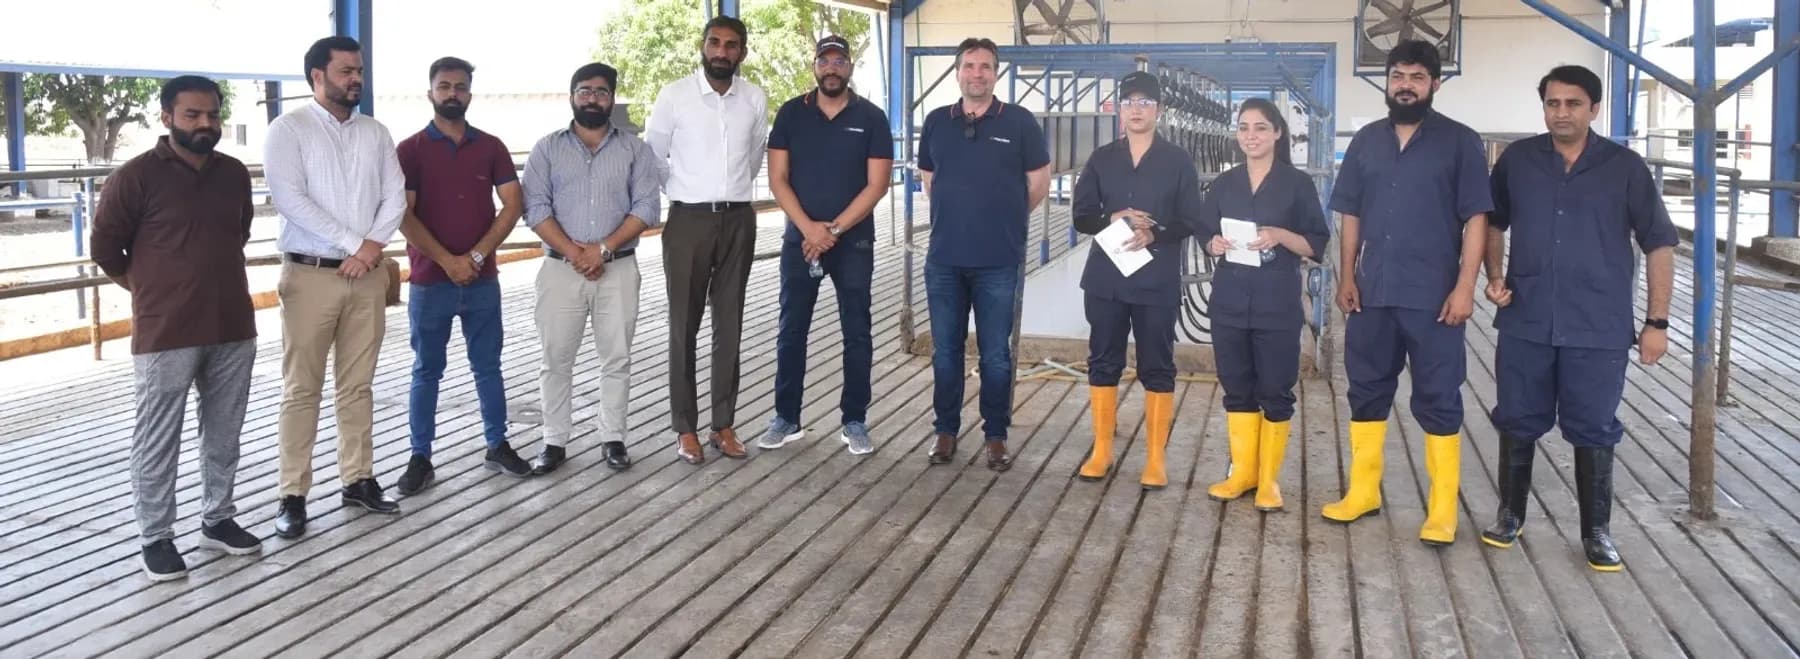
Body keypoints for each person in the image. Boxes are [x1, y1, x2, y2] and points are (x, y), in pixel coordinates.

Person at [1480, 64, 1676, 571]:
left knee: (1594, 425)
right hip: (1527, 317)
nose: (1561, 113)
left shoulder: (1625, 167)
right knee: (1517, 417)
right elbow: (1492, 223)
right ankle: (1509, 515)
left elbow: (1659, 243)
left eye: (1572, 103)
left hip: (1599, 323)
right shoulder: (1518, 161)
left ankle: (1596, 532)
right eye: (1552, 103)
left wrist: (1657, 322)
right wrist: (1494, 275)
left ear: (1594, 108)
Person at [90, 75, 263, 580]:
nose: (205, 123)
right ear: (166, 117)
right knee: (157, 437)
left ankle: (218, 518)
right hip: (165, 332)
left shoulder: (234, 173)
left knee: (224, 433)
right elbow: (105, 249)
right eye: (192, 114)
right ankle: (156, 536)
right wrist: (151, 289)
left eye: (212, 114)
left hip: (233, 322)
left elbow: (239, 232)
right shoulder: (135, 177)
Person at [1321, 39, 1492, 546]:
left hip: (1434, 296)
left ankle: (1441, 510)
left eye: (1417, 77)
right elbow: (1350, 213)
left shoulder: (1460, 142)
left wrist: (1466, 286)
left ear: (1434, 84)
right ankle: (1363, 492)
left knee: (1438, 395)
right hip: (1372, 291)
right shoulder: (1366, 141)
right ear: (1388, 81)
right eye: (1398, 76)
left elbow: (1476, 219)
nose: (1406, 86)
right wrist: (1346, 276)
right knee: (1366, 389)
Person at [265, 35, 408, 538]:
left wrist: (371, 249)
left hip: (366, 277)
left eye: (359, 70)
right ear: (316, 76)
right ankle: (292, 494)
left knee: (358, 385)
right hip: (310, 275)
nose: (356, 79)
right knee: (301, 387)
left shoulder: (376, 132)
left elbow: (395, 196)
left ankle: (358, 479)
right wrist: (356, 244)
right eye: (346, 71)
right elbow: (290, 199)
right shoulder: (289, 130)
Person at [393, 56, 532, 494]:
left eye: (460, 87)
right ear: (430, 92)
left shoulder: (491, 147)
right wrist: (448, 261)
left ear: (470, 93)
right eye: (444, 86)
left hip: (482, 279)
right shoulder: (410, 150)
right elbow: (404, 215)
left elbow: (513, 204)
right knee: (426, 370)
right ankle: (420, 456)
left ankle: (497, 444)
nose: (452, 93)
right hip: (429, 282)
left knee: (488, 366)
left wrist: (474, 256)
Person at [916, 37, 1052, 472]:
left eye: (985, 66)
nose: (977, 74)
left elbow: (1039, 182)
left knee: (995, 354)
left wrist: (1003, 217)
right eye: (969, 66)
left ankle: (996, 435)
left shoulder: (1019, 122)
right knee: (945, 352)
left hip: (998, 259)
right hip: (944, 259)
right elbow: (929, 179)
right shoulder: (936, 122)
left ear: (996, 73)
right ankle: (945, 431)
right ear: (958, 72)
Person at [523, 62, 663, 474]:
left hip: (617, 268)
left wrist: (602, 250)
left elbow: (647, 207)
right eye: (584, 90)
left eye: (601, 91)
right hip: (559, 270)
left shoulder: (635, 150)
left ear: (611, 99)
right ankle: (553, 441)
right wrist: (575, 252)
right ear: (572, 97)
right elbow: (535, 208)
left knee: (616, 358)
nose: (592, 98)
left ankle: (613, 438)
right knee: (555, 358)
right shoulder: (546, 149)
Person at [758, 35, 893, 455]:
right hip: (800, 242)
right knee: (791, 330)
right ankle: (786, 418)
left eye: (839, 61)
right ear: (814, 66)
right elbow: (777, 179)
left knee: (857, 333)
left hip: (854, 244)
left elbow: (878, 184)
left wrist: (831, 231)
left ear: (849, 66)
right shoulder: (790, 114)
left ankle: (854, 420)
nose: (831, 68)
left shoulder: (871, 117)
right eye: (824, 61)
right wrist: (809, 230)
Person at [1067, 71, 1203, 490]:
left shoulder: (1178, 160)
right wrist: (1113, 218)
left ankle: (1155, 459)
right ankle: (1102, 449)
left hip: (1156, 279)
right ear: (1119, 110)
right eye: (1129, 102)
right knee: (1103, 360)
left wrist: (1155, 234)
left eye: (1145, 102)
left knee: (1157, 365)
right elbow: (1081, 216)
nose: (1136, 109)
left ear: (1159, 110)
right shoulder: (1102, 158)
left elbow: (1191, 219)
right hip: (1106, 278)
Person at [645, 15, 769, 465]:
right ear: (702, 46)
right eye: (714, 42)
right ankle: (685, 428)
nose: (721, 52)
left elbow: (753, 157)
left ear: (742, 52)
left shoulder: (754, 98)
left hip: (738, 219)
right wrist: (687, 193)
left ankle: (723, 424)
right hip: (688, 221)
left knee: (730, 323)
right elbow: (654, 157)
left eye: (731, 45)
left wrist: (727, 194)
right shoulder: (674, 96)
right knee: (684, 324)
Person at [1197, 98, 1332, 510]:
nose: (1250, 136)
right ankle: (1243, 473)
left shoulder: (1297, 184)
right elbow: (1204, 231)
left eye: (1260, 128)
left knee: (1275, 388)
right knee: (1236, 387)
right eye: (1243, 128)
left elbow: (1316, 243)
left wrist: (1279, 235)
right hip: (1230, 301)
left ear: (1277, 133)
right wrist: (1212, 243)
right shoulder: (1224, 184)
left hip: (1276, 303)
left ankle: (1269, 481)